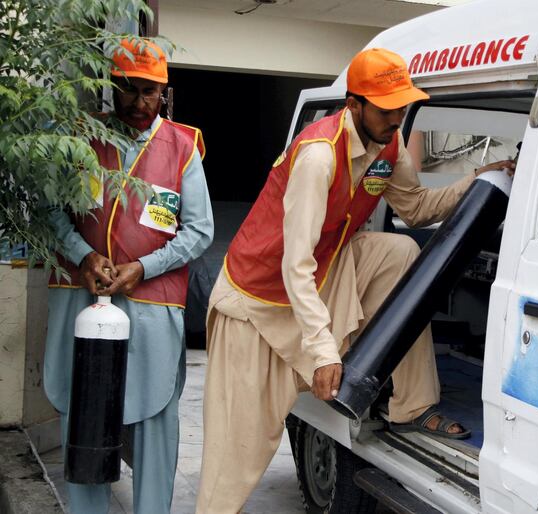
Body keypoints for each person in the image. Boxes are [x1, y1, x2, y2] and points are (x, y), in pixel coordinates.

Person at [195, 47, 514, 513]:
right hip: (257, 302)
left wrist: (476, 180)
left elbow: (417, 209)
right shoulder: (318, 156)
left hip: (325, 271)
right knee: (237, 454)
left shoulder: (390, 144)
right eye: (388, 110)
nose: (397, 118)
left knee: (403, 251)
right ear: (354, 106)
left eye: (403, 107)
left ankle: (413, 406)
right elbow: (294, 263)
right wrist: (325, 353)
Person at [44, 38, 213, 514]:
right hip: (80, 296)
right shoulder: (82, 140)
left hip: (153, 302)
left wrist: (144, 267)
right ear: (112, 88)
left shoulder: (183, 147)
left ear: (166, 93)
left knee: (155, 419)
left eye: (150, 92)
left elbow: (200, 231)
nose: (140, 102)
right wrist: (83, 256)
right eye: (130, 89)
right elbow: (53, 212)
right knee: (82, 414)